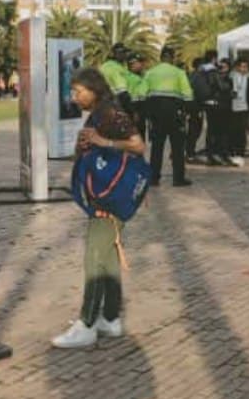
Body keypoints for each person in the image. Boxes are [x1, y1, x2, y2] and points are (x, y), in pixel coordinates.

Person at [52, 68, 146, 349]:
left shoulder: (109, 113)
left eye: (79, 91)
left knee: (94, 259)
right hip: (104, 198)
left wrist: (102, 142)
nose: (75, 96)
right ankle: (110, 317)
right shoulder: (100, 113)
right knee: (107, 260)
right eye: (73, 91)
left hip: (109, 201)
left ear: (94, 90)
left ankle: (87, 324)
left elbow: (138, 145)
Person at [144, 46, 193, 187]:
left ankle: (154, 178)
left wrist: (147, 112)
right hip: (175, 114)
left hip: (156, 114)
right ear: (172, 58)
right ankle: (178, 179)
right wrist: (188, 111)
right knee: (178, 147)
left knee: (157, 147)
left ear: (160, 58)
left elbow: (142, 93)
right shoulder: (179, 72)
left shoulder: (150, 73)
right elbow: (188, 94)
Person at [206, 55, 235, 166]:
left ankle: (222, 154)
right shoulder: (214, 76)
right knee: (213, 132)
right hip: (215, 108)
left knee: (224, 133)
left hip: (225, 108)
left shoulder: (228, 78)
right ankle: (212, 154)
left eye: (225, 67)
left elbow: (228, 90)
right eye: (221, 66)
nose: (223, 69)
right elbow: (223, 88)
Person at [100, 42, 134, 117]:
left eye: (125, 52)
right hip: (117, 105)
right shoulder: (113, 67)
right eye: (122, 53)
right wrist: (131, 111)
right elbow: (122, 92)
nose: (125, 55)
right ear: (115, 54)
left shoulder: (115, 66)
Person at [229, 59, 249, 164]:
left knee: (242, 130)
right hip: (233, 107)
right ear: (237, 67)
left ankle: (241, 150)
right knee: (233, 129)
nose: (244, 69)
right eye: (242, 66)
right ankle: (233, 150)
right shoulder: (232, 76)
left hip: (244, 107)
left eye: (246, 67)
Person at [186, 57, 210, 159]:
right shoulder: (199, 77)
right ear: (200, 66)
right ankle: (190, 152)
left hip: (191, 105)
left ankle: (188, 150)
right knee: (195, 129)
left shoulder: (191, 75)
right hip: (196, 106)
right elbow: (203, 92)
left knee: (193, 129)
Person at [126, 55, 149, 140]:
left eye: (141, 63)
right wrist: (134, 112)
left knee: (142, 132)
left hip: (142, 106)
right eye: (139, 63)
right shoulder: (128, 77)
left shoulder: (143, 76)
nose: (141, 65)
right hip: (133, 107)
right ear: (131, 64)